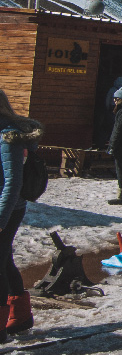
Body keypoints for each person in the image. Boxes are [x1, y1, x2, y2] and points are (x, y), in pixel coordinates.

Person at [0, 89, 43, 340]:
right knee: (4, 260)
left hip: (7, 209)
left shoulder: (8, 137)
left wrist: (1, 219)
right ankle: (21, 315)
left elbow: (13, 183)